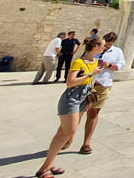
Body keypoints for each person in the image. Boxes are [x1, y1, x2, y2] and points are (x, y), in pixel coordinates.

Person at [35, 36, 105, 178]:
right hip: (72, 98)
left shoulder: (95, 62)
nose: (105, 47)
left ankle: (49, 164)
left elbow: (90, 81)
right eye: (102, 45)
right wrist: (91, 74)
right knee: (68, 132)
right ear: (95, 46)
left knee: (64, 132)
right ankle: (44, 169)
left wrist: (90, 95)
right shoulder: (79, 62)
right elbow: (70, 83)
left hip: (84, 98)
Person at [79, 32, 125, 154]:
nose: (107, 46)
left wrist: (109, 65)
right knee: (78, 113)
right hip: (86, 83)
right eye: (106, 44)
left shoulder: (117, 52)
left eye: (109, 44)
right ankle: (68, 137)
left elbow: (121, 65)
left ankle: (86, 143)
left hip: (103, 84)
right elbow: (81, 62)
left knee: (93, 113)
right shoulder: (95, 48)